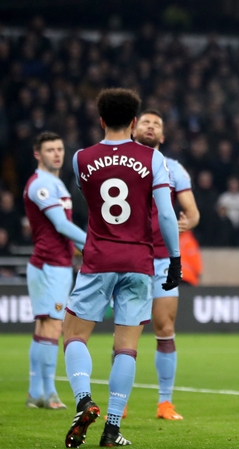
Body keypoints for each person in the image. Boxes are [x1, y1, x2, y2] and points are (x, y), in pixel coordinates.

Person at [62, 88, 181, 447]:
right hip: (140, 261)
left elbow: (93, 202)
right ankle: (112, 429)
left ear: (101, 120)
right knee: (127, 346)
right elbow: (164, 212)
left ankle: (84, 400)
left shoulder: (81, 158)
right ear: (133, 122)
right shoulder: (152, 159)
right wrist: (174, 258)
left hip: (99, 257)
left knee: (74, 335)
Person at [131, 109, 199, 420]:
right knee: (127, 332)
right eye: (145, 121)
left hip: (161, 260)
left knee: (165, 328)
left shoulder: (173, 168)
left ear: (162, 136)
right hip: (129, 257)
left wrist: (185, 223)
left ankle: (164, 403)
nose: (151, 126)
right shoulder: (123, 164)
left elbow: (192, 212)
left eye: (156, 124)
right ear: (134, 128)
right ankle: (122, 403)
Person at [23, 131, 87, 410]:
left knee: (43, 328)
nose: (57, 154)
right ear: (38, 154)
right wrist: (94, 244)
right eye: (50, 150)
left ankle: (35, 393)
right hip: (51, 265)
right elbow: (61, 225)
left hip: (50, 263)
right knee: (52, 327)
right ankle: (48, 393)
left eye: (60, 149)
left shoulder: (54, 183)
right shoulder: (42, 186)